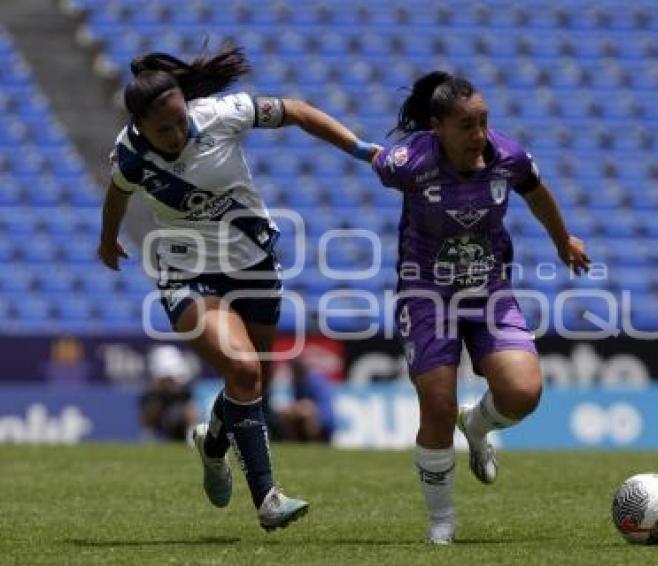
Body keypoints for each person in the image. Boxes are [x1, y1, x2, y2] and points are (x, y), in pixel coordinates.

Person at [97, 44, 378, 532]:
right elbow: (116, 195)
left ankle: (212, 446)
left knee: (256, 382)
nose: (177, 132)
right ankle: (267, 497)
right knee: (244, 368)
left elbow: (298, 111)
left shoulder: (223, 113)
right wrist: (107, 242)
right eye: (164, 128)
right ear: (140, 125)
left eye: (180, 120)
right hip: (188, 275)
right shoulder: (129, 156)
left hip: (255, 265)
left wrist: (358, 148)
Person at [370, 71, 590, 544]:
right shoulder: (412, 162)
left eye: (484, 123)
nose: (480, 135)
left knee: (523, 392)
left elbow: (537, 193)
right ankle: (441, 524)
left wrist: (562, 241)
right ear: (438, 128)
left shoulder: (507, 157)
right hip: (425, 294)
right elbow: (373, 158)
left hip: (488, 290)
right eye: (467, 126)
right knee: (436, 404)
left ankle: (477, 424)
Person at [139, 344, 199, 442]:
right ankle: (148, 436)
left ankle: (191, 435)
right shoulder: (152, 394)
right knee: (153, 404)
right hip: (161, 412)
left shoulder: (184, 392)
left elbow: (181, 386)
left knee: (188, 405)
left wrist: (175, 390)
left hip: (178, 423)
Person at [276, 359, 336, 443]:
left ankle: (313, 444)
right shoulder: (297, 383)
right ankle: (291, 443)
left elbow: (312, 407)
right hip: (307, 416)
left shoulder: (314, 381)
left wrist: (296, 408)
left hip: (323, 420)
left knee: (307, 416)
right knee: (286, 415)